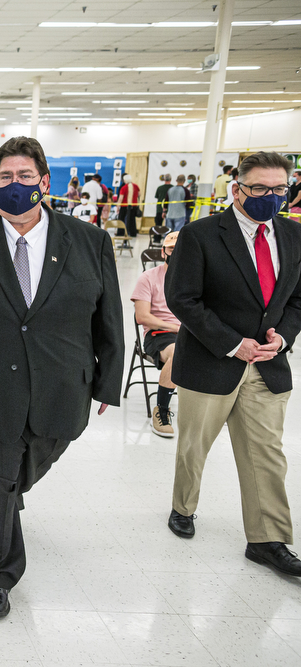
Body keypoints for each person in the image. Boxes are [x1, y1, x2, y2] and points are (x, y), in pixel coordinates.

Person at [0, 136, 124, 619]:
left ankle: (9, 495)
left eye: (25, 176)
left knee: (22, 469)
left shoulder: (89, 241)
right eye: (6, 177)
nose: (15, 184)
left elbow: (108, 316)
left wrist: (107, 380)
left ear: (45, 182)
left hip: (61, 384)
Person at [165, 152, 301, 577]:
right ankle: (183, 507)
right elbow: (182, 298)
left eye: (280, 189)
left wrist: (283, 337)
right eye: (260, 188)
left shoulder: (294, 237)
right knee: (194, 446)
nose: (270, 196)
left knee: (266, 454)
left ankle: (267, 539)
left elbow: (297, 299)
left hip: (267, 364)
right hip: (212, 360)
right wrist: (231, 343)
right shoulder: (202, 235)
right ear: (237, 187)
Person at [131, 231, 181, 437]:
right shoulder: (148, 278)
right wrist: (177, 328)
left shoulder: (196, 280)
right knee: (180, 352)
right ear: (163, 252)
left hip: (190, 332)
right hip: (159, 335)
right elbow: (142, 317)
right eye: (171, 249)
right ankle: (161, 410)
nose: (176, 253)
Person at [118, 173, 141, 238]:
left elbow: (121, 198)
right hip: (134, 205)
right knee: (132, 220)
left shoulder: (124, 187)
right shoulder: (136, 186)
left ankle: (121, 232)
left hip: (125, 206)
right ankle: (133, 233)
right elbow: (139, 194)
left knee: (122, 219)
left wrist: (117, 206)